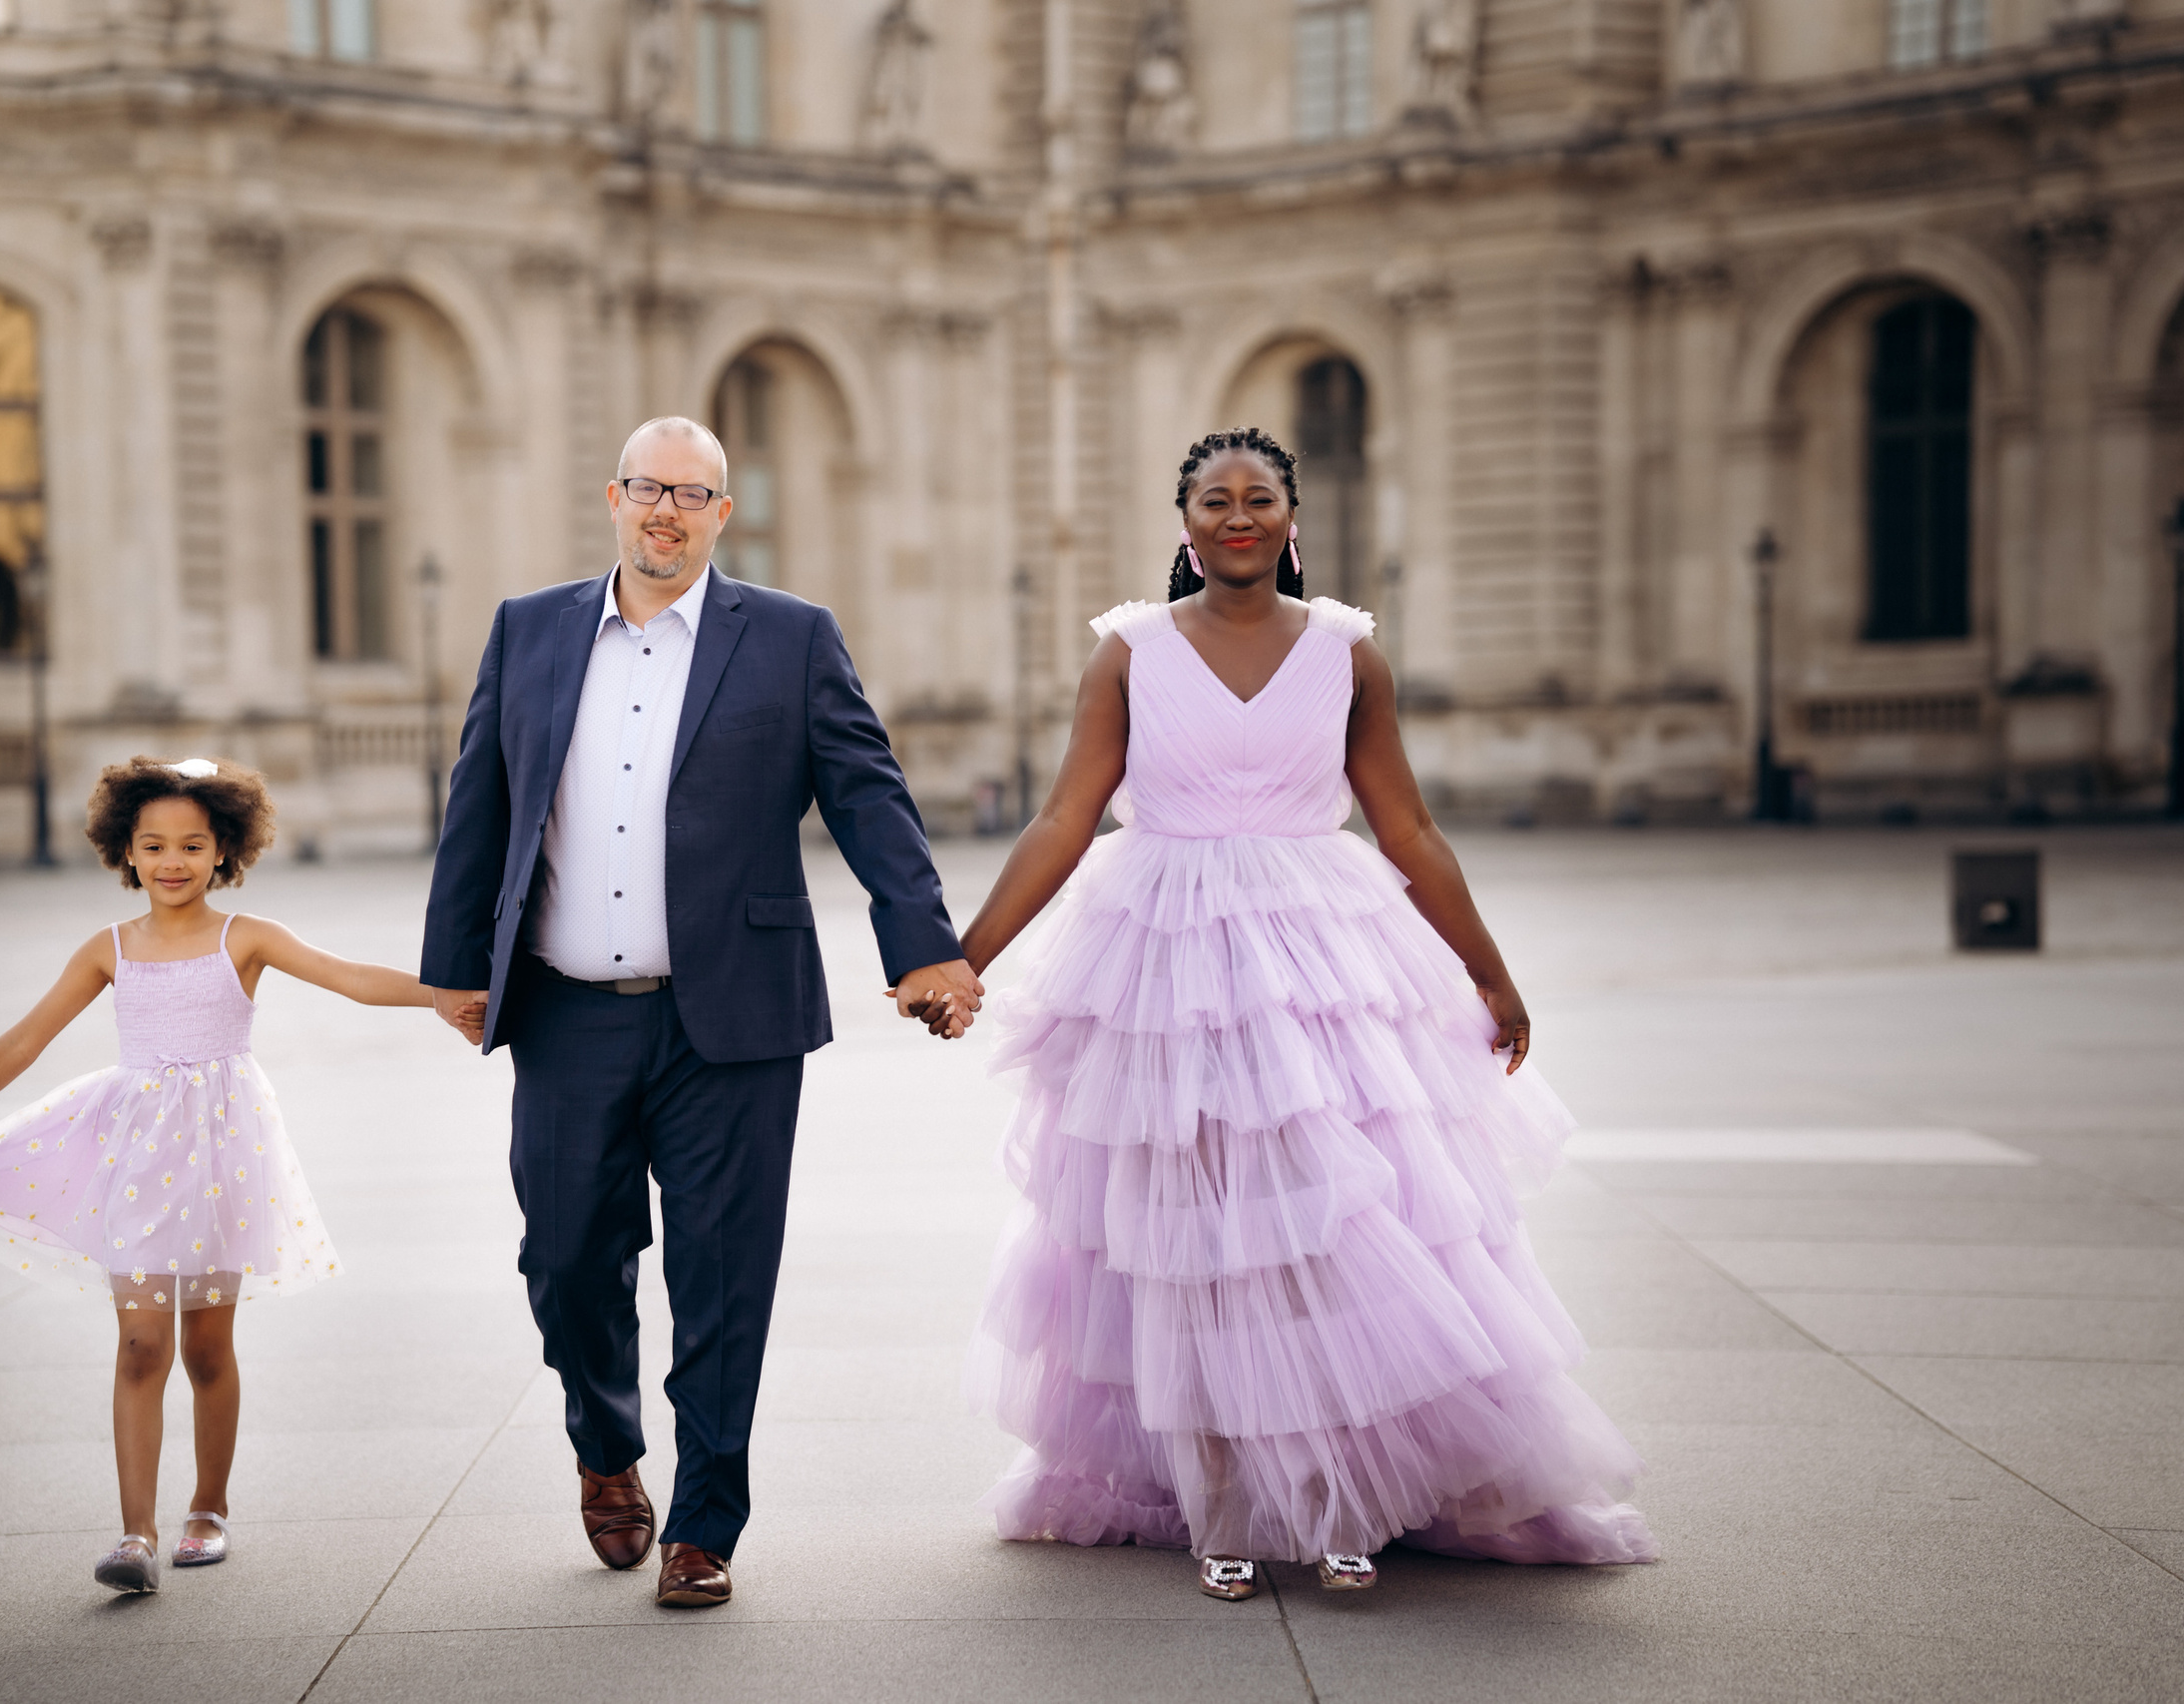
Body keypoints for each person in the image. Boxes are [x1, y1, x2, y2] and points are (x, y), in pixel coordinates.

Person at [956, 428, 1657, 1600]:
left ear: (1291, 519)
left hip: (1322, 963)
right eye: (1213, 501)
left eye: (1259, 499)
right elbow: (1063, 821)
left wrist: (1489, 971)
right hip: (1161, 964)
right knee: (1197, 1244)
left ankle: (1348, 1496)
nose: (1237, 517)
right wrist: (966, 955)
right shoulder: (1127, 653)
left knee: (1332, 1238)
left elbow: (1407, 829)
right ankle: (1223, 1503)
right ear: (1182, 525)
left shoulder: (1346, 653)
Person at [420, 416, 981, 1609]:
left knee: (725, 1275)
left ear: (724, 513)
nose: (665, 511)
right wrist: (455, 965)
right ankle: (606, 1443)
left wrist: (924, 946)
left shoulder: (786, 638)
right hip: (569, 1011)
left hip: (733, 1017)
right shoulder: (527, 631)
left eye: (693, 493)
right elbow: (481, 801)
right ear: (612, 498)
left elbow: (868, 795)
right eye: (646, 488)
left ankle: (704, 1520)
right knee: (566, 1256)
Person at [0, 757, 468, 1594]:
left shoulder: (248, 938)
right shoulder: (109, 950)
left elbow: (351, 979)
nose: (172, 861)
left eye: (192, 846)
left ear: (223, 849)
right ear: (125, 851)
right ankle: (135, 1534)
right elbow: (24, 1040)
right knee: (138, 1343)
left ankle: (209, 1505)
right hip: (134, 1161)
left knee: (206, 1345)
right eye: (154, 845)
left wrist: (443, 997)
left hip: (221, 1157)